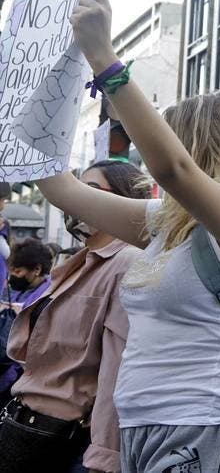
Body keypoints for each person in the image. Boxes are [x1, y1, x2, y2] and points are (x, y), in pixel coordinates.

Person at [39, 0, 220, 472]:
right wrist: (41, 94)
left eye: (163, 138)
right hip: (143, 421)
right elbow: (62, 190)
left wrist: (104, 59)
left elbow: (172, 169)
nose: (147, 156)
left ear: (198, 147)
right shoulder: (170, 224)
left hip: (205, 421)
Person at [0, 162, 148, 473]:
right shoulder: (78, 262)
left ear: (122, 201)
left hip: (66, 440)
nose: (75, 201)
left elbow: (116, 370)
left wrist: (106, 456)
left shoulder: (128, 262)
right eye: (76, 189)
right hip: (28, 425)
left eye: (89, 192)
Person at [0, 240, 54, 407]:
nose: (13, 276)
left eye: (18, 271)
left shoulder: (49, 295)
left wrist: (23, 313)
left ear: (37, 270)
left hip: (21, 374)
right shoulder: (12, 290)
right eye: (11, 271)